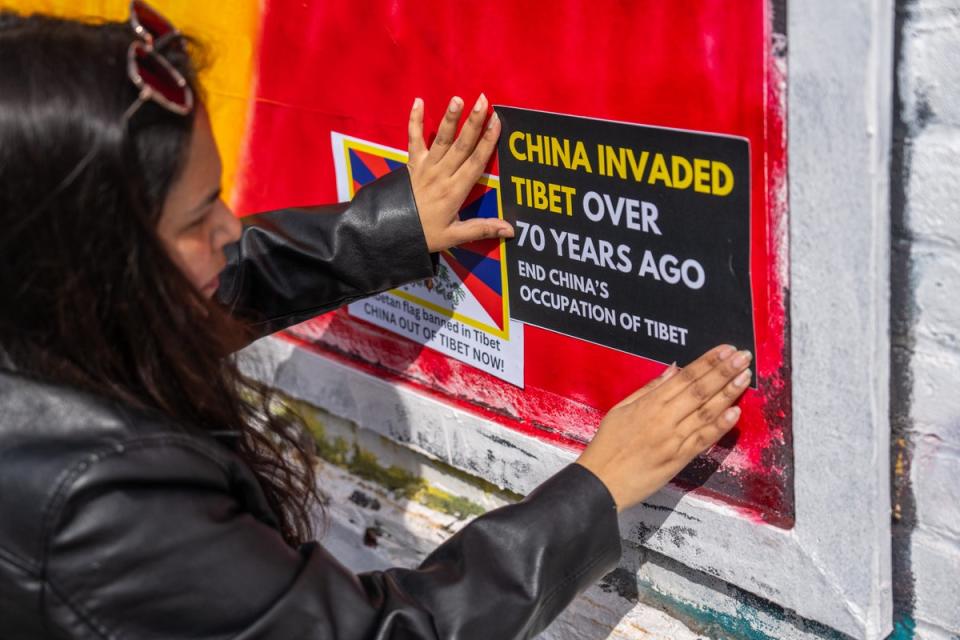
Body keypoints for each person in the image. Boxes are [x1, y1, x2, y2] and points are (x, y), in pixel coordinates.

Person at [0, 4, 753, 639]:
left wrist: (392, 225)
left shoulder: (37, 319)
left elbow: (215, 286)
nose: (231, 228)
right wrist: (599, 484)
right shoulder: (106, 505)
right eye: (199, 216)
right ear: (86, 263)